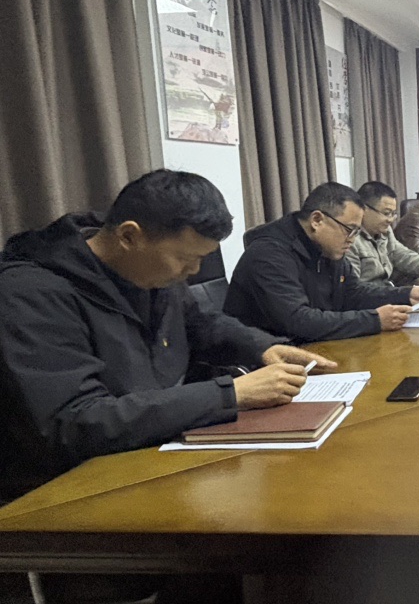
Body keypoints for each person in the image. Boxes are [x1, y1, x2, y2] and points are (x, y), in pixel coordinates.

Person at [0, 170, 332, 501]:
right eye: (186, 258)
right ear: (129, 236)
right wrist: (230, 395)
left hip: (152, 454)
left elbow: (199, 323)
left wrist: (262, 347)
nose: (194, 272)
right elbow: (75, 422)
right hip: (64, 492)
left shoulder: (148, 271)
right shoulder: (29, 294)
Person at [224, 182, 419, 343]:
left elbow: (353, 292)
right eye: (350, 230)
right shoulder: (269, 254)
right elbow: (298, 321)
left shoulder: (327, 248)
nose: (353, 239)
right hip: (269, 360)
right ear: (317, 220)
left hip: (313, 347)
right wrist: (374, 320)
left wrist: (405, 294)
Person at [346, 181, 419, 286]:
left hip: (390, 292)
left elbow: (403, 254)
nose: (391, 220)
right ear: (363, 209)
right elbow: (355, 290)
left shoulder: (385, 231)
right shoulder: (349, 240)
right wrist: (403, 294)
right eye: (386, 213)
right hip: (377, 299)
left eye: (393, 214)